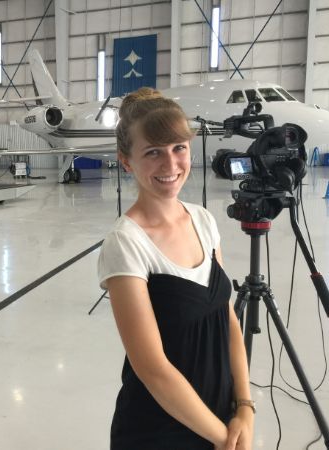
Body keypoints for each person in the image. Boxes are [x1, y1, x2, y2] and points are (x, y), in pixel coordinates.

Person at [98, 87, 254, 450]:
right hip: (160, 430)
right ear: (126, 161)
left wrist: (244, 406)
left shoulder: (202, 220)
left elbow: (226, 317)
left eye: (178, 148)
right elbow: (152, 369)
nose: (170, 165)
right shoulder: (126, 244)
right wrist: (225, 439)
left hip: (221, 413)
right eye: (153, 152)